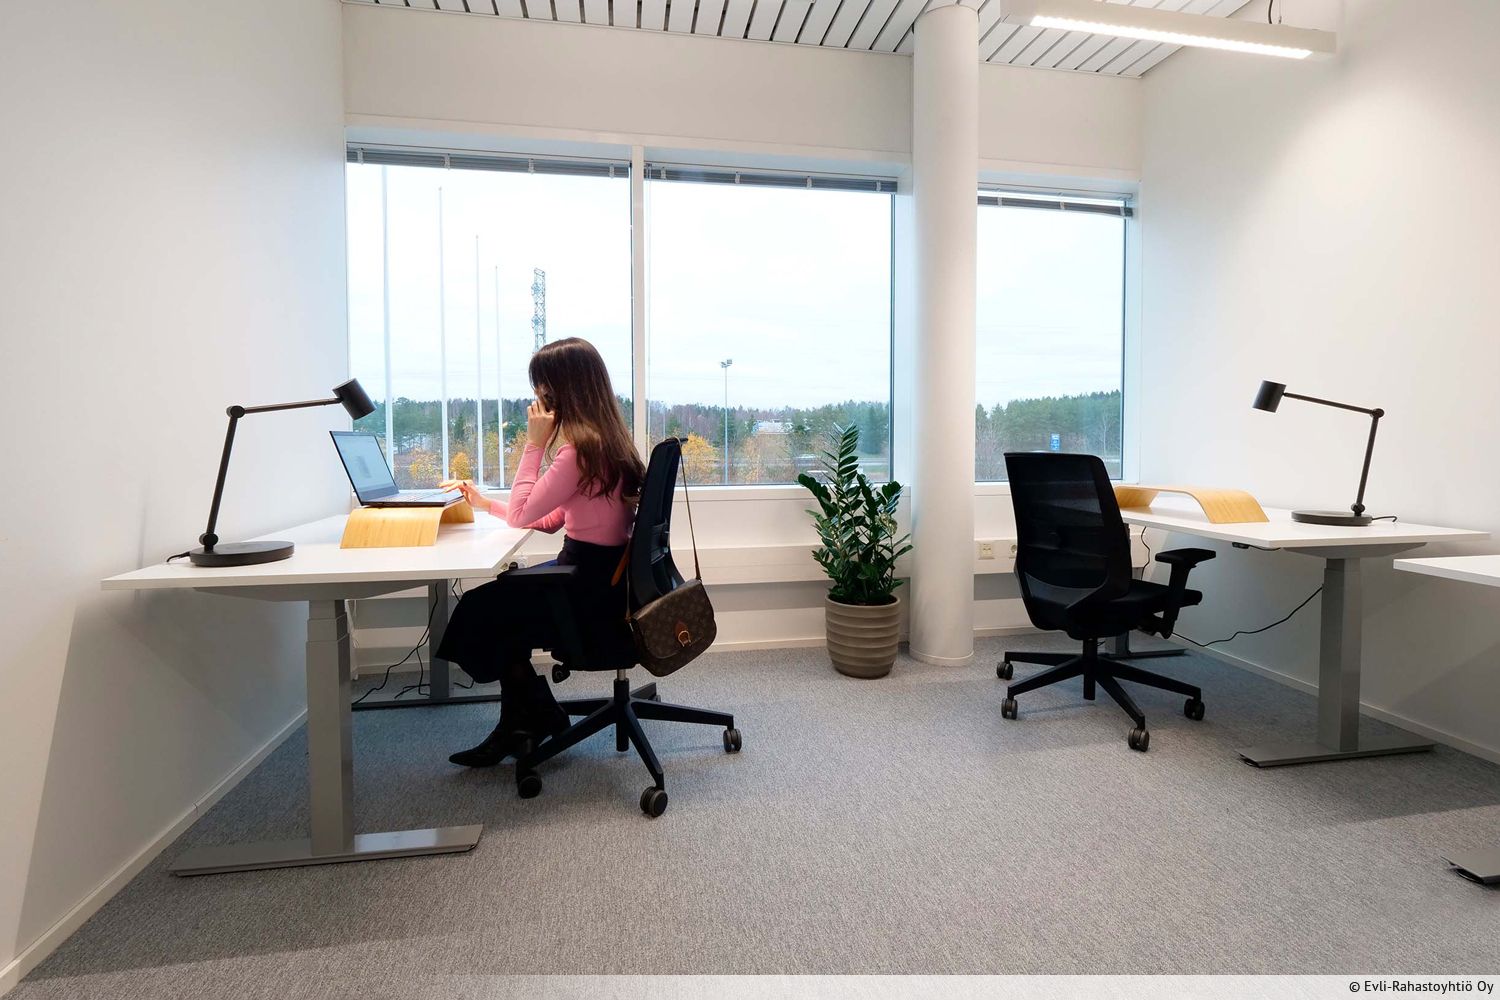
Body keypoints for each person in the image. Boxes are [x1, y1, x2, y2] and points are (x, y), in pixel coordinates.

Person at [437, 337, 644, 768]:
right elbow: (550, 519)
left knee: (480, 609)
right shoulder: (609, 444)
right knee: (500, 603)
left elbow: (521, 515)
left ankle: (530, 717)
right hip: (607, 583)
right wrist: (484, 503)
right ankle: (528, 717)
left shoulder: (577, 452)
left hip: (586, 593)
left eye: (541, 388)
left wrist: (533, 445)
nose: (537, 399)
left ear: (562, 390)